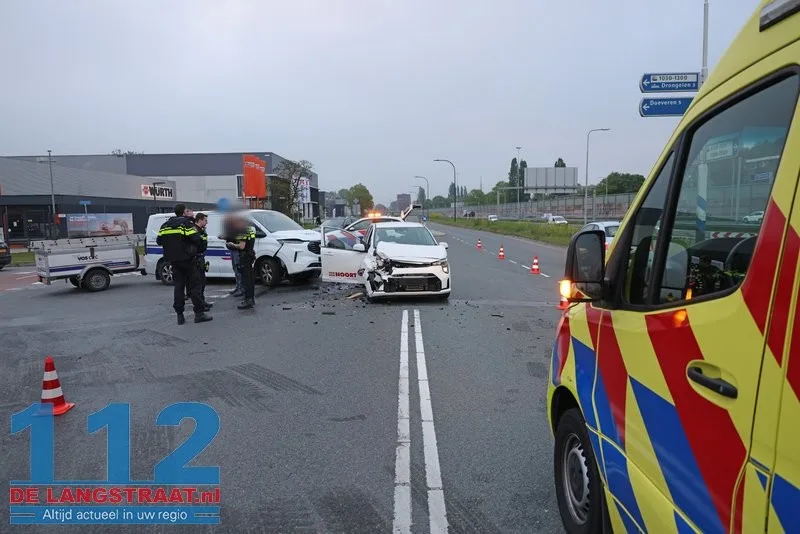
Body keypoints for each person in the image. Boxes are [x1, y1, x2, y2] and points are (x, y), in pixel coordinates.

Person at [156, 204, 212, 325]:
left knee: (179, 288)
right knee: (195, 287)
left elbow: (159, 240)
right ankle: (199, 314)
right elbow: (196, 238)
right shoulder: (186, 224)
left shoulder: (165, 225)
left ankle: (180, 316)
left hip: (173, 261)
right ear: (183, 213)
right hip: (188, 260)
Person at [226, 216, 256, 310]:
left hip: (244, 256)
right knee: (250, 279)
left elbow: (241, 246)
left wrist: (232, 245)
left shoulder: (242, 231)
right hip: (250, 255)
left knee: (246, 279)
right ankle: (251, 299)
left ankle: (248, 300)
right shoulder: (250, 229)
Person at [221, 214, 244, 297]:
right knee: (235, 269)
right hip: (233, 249)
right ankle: (238, 287)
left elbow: (236, 238)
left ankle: (241, 288)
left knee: (238, 269)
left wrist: (225, 236)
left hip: (236, 250)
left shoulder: (239, 228)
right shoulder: (232, 227)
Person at [193, 212, 212, 311]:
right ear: (200, 220)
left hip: (201, 257)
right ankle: (199, 304)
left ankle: (202, 301)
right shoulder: (195, 230)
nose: (207, 222)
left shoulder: (201, 230)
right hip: (196, 258)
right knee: (198, 283)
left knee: (202, 281)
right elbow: (198, 245)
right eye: (205, 220)